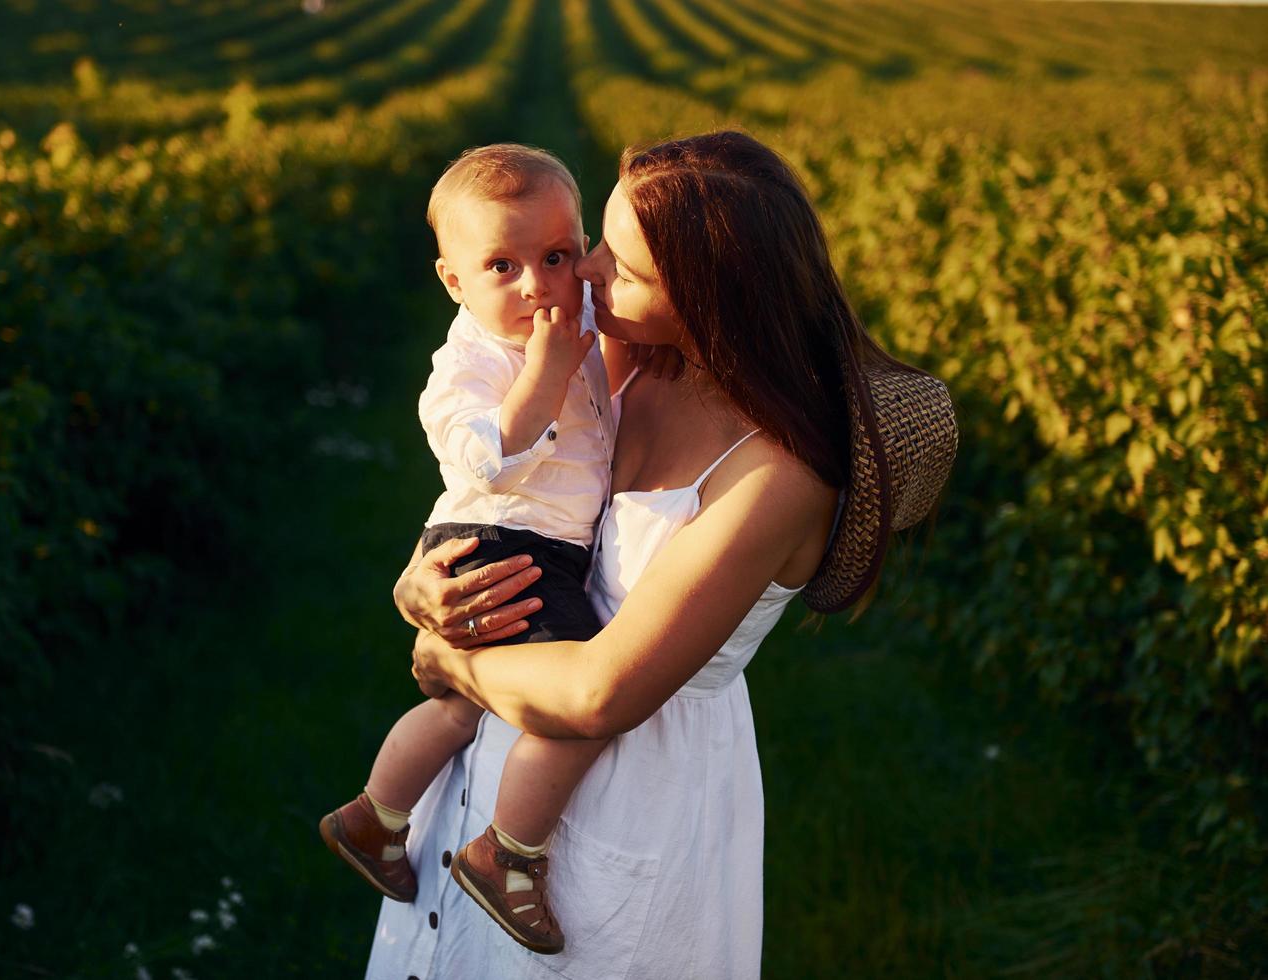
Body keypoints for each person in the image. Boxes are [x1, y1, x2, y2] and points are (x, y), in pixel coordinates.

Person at [364, 130, 958, 979]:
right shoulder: (630, 361)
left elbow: (603, 691)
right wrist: (420, 588)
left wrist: (451, 662)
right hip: (506, 754)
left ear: (715, 297)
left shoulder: (775, 477)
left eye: (626, 266)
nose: (592, 270)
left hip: (632, 781)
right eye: (599, 240)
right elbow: (513, 498)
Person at [319, 144, 680, 955]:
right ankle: (507, 854)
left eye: (556, 257)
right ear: (453, 281)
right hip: (502, 543)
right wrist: (544, 377)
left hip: (533, 546)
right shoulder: (470, 362)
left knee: (463, 703)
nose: (535, 285)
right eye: (502, 266)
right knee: (580, 700)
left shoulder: (577, 317)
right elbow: (479, 458)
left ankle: (375, 816)